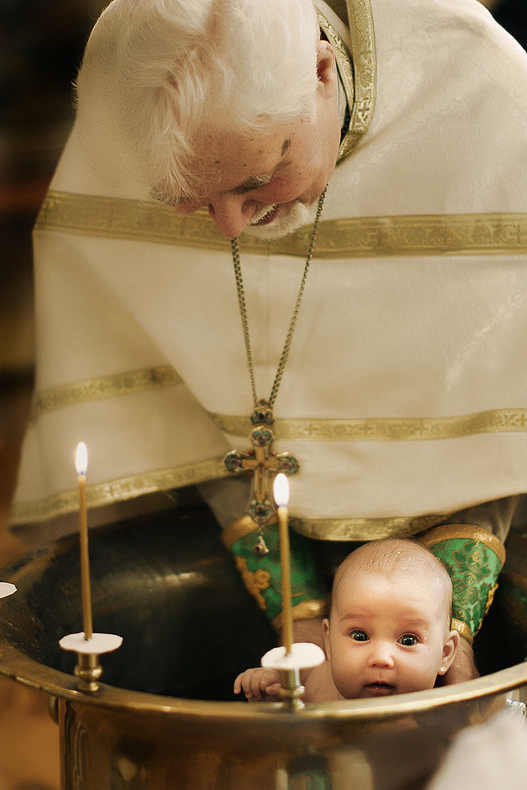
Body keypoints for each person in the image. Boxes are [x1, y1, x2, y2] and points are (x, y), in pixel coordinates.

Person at [8, 0, 527, 685]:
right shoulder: (136, 100)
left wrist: (450, 615)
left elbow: (501, 395)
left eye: (255, 181)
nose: (229, 225)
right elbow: (164, 387)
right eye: (188, 200)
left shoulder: (483, 92)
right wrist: (296, 606)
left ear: (320, 72)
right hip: (219, 537)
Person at [234, 538, 460, 701]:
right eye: (360, 636)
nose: (381, 658)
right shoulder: (316, 685)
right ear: (329, 641)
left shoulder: (445, 713)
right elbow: (287, 735)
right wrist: (270, 697)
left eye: (408, 640)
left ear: (445, 654)